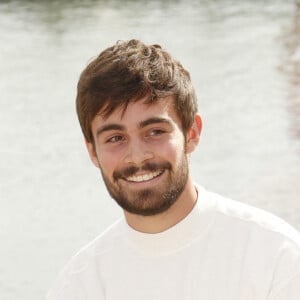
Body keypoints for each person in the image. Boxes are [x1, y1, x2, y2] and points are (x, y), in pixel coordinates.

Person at [47, 39, 300, 300]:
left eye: (155, 132)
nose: (137, 157)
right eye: (115, 138)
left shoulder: (275, 256)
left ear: (192, 133)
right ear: (92, 152)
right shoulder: (77, 286)